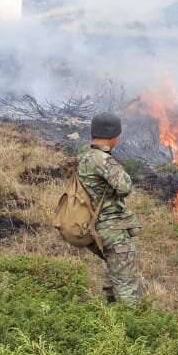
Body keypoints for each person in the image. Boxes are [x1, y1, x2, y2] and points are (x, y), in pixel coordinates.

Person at [76, 112, 144, 305]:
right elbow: (124, 187)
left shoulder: (85, 154)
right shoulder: (102, 159)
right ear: (114, 135)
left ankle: (110, 317)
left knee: (114, 275)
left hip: (93, 224)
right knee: (127, 283)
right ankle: (129, 327)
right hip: (110, 227)